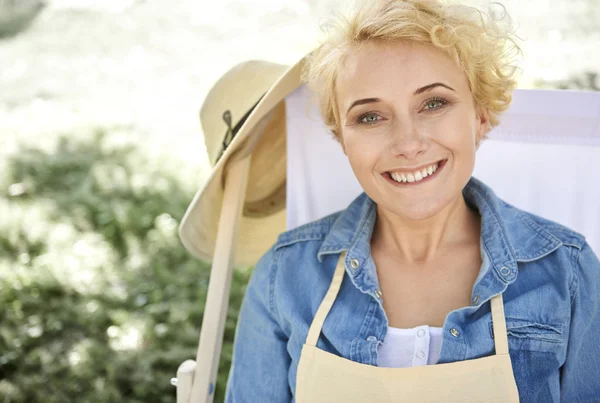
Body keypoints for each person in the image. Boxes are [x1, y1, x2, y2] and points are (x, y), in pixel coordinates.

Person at [223, 0, 600, 401]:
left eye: (433, 103)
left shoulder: (566, 273)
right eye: (370, 116)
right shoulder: (285, 276)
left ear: (481, 116)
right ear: (342, 139)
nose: (407, 144)